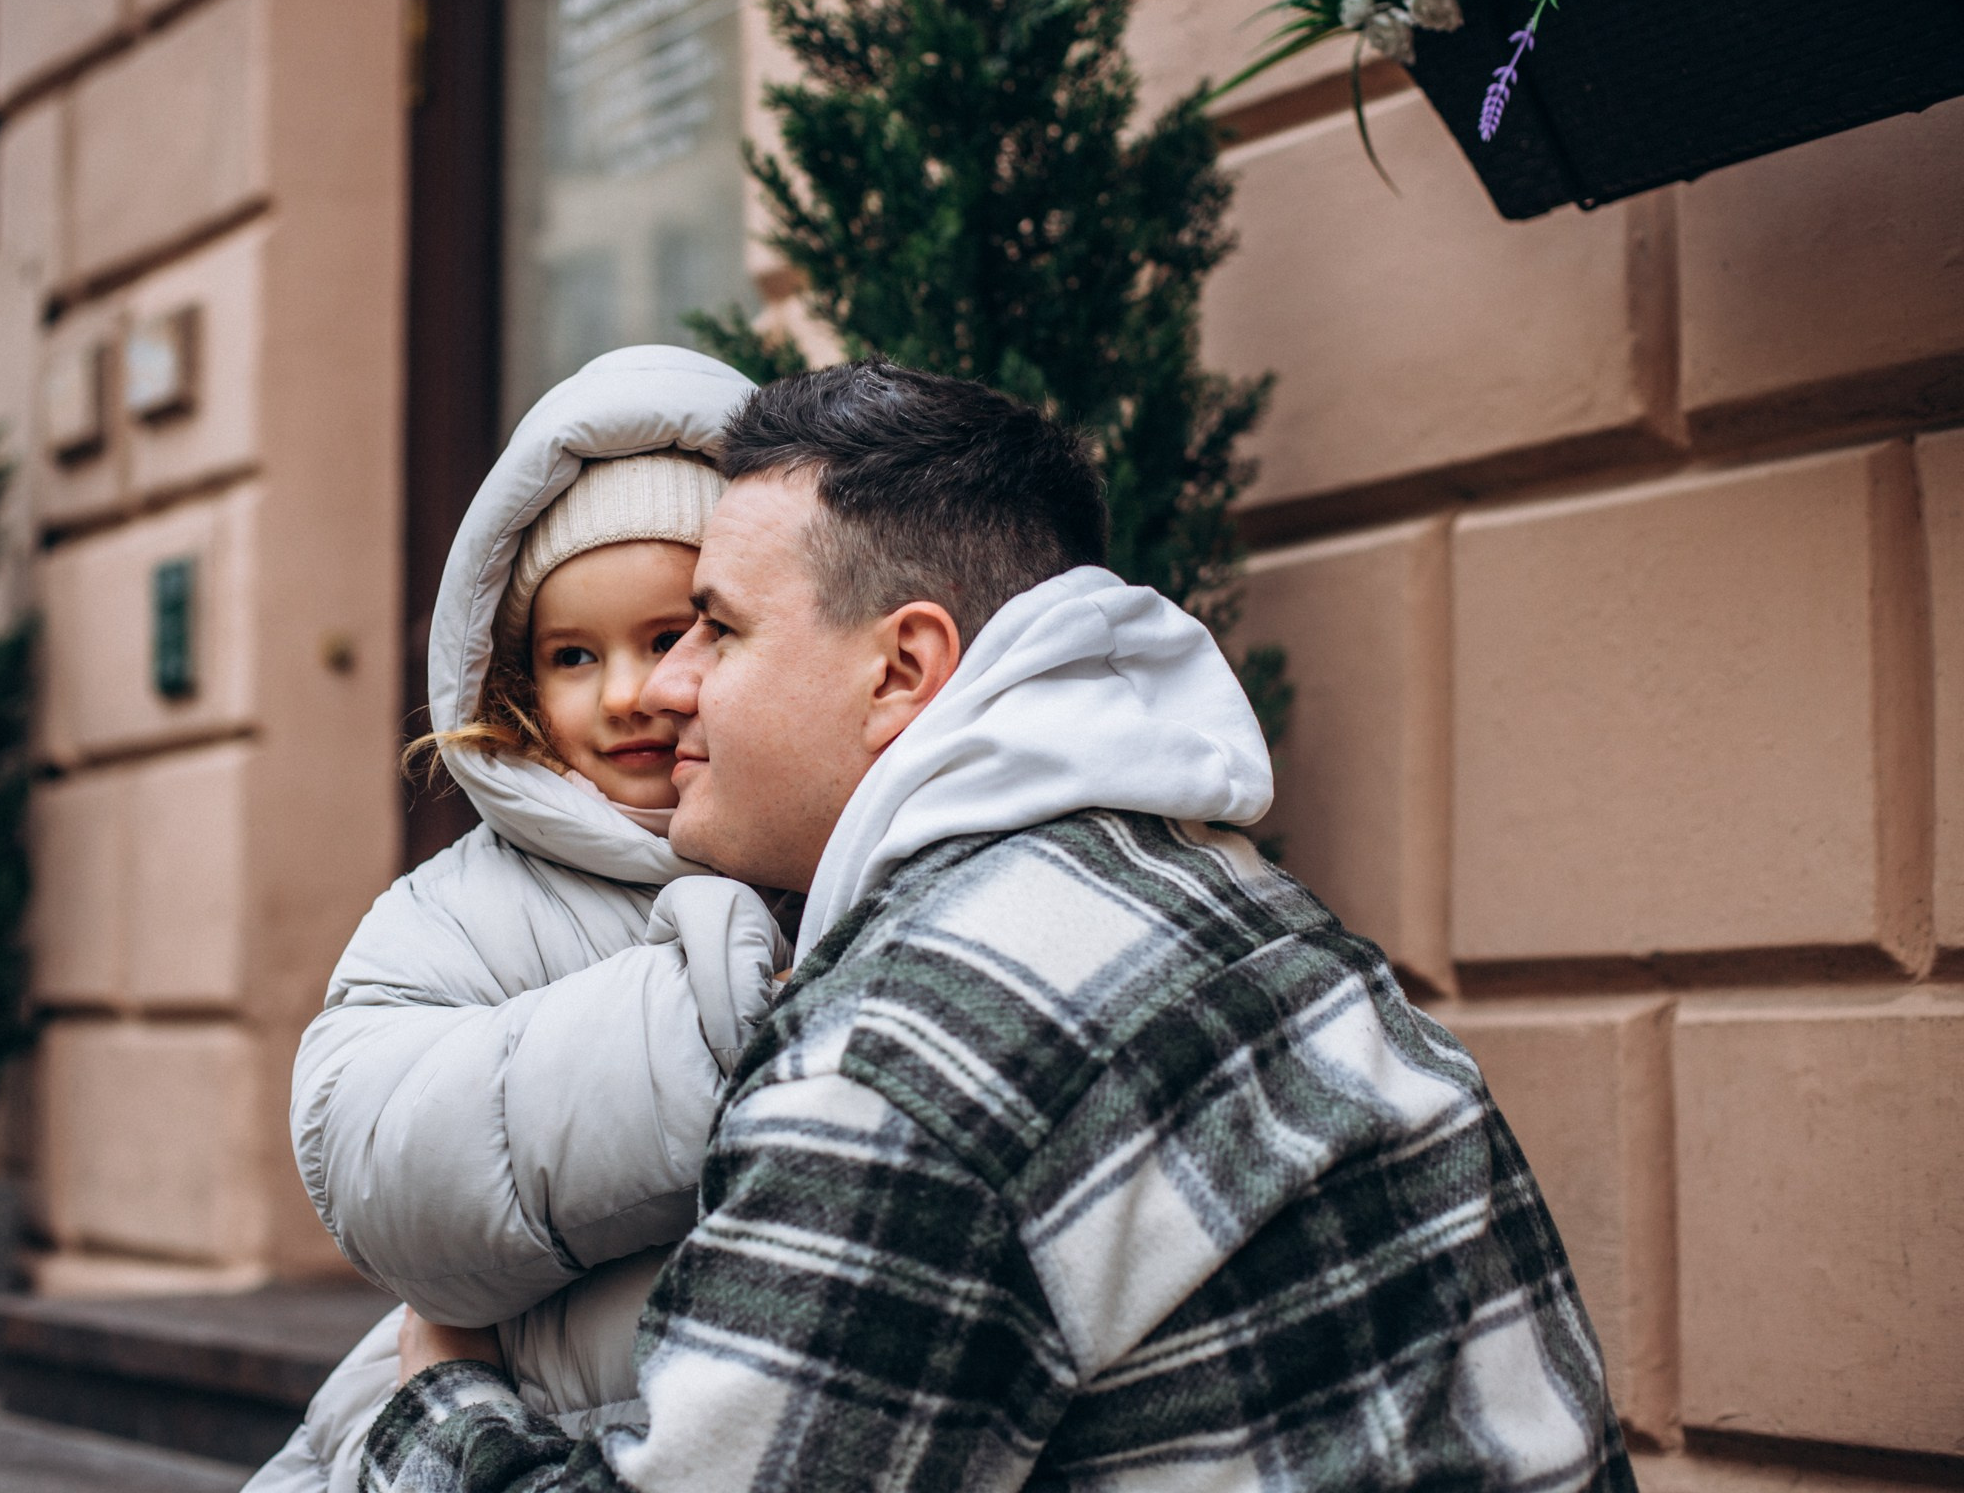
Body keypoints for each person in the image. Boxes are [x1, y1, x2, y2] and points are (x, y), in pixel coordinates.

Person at [369, 361, 1634, 1492]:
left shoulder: (912, 1047)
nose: (673, 683)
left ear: (905, 669)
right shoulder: (1225, 896)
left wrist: (435, 1398)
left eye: (717, 625)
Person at [246, 346, 791, 1493]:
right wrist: (720, 1029)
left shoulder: (816, 846)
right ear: (515, 684)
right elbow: (372, 1150)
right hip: (489, 1427)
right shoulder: (464, 899)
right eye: (573, 656)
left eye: (672, 635)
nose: (630, 692)